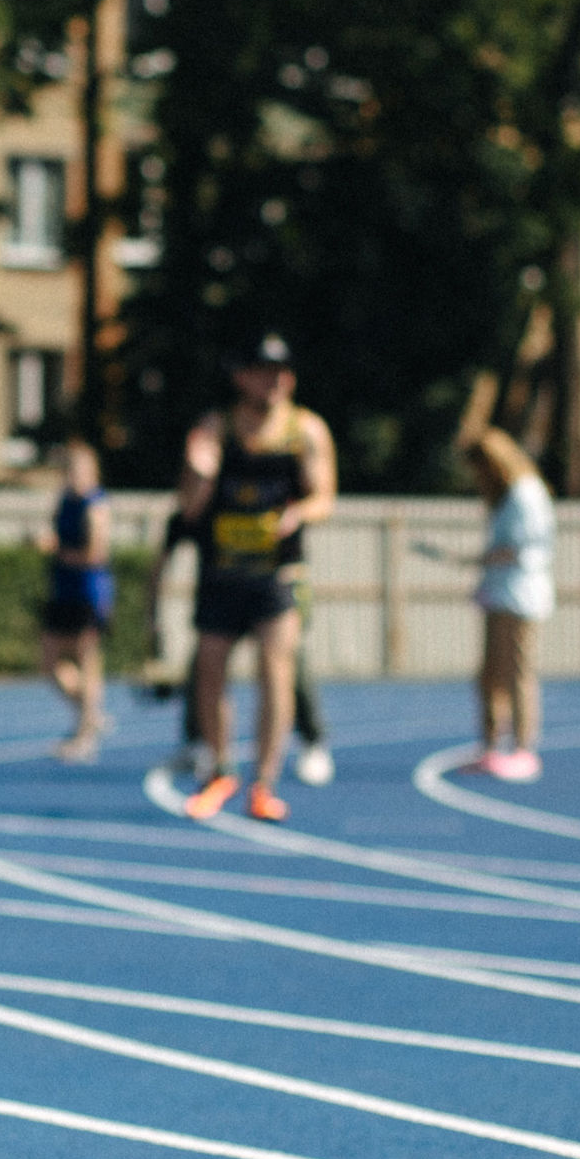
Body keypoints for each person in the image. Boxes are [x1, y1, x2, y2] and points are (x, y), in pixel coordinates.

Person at [176, 335, 336, 822]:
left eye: (283, 371)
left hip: (276, 573)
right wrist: (198, 472)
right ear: (242, 376)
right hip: (223, 571)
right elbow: (188, 509)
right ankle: (220, 769)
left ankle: (264, 782)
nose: (276, 381)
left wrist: (299, 513)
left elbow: (325, 497)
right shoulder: (215, 429)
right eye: (265, 371)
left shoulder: (305, 430)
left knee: (276, 667)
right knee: (210, 666)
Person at [465, 427, 555, 780]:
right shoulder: (506, 497)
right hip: (499, 594)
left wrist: (489, 558)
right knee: (489, 675)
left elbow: (529, 548)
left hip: (521, 596)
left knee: (518, 672)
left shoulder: (526, 495)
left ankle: (523, 749)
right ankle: (489, 746)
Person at [34, 439, 113, 761]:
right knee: (50, 663)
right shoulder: (64, 500)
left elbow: (96, 554)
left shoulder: (95, 505)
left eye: (79, 470)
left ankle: (85, 735)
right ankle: (91, 715)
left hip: (88, 591)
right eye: (69, 470)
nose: (73, 476)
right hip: (62, 589)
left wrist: (55, 549)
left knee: (85, 660)